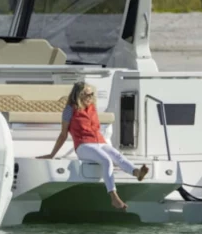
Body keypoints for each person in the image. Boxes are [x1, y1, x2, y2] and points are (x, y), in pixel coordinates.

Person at [37, 81, 148, 210]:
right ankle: (114, 197)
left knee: (118, 156)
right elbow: (63, 134)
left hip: (100, 142)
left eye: (92, 94)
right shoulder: (69, 110)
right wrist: (52, 154)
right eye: (88, 94)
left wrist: (101, 142)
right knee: (106, 160)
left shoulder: (92, 108)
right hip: (83, 145)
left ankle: (137, 173)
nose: (91, 96)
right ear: (79, 95)